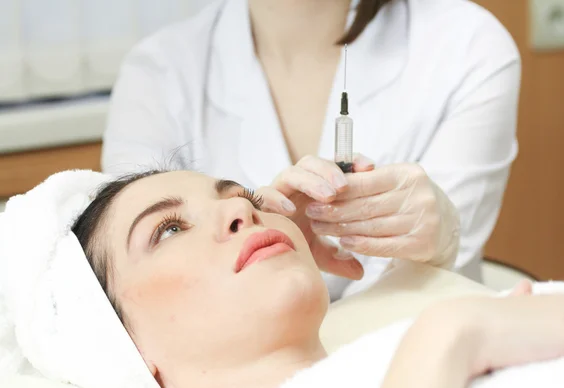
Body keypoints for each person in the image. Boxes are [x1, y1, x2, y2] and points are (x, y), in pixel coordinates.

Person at [102, 0, 521, 294]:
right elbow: (136, 295)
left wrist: (440, 241)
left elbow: (418, 308)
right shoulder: (156, 73)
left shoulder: (468, 46)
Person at [71, 169, 564, 388]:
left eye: (248, 199)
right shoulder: (442, 338)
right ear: (119, 347)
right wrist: (454, 337)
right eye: (167, 230)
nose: (239, 209)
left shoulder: (391, 353)